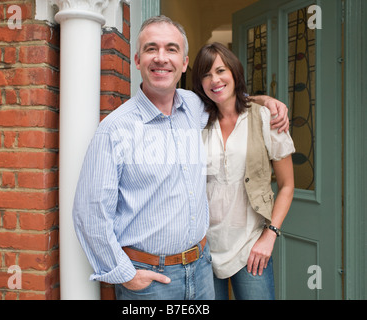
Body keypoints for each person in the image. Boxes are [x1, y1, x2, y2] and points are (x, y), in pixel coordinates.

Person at [72, 16, 289, 300]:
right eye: (152, 49)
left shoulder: (194, 106)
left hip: (201, 270)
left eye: (171, 49)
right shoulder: (114, 130)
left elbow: (228, 96)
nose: (161, 58)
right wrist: (124, 273)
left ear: (184, 63)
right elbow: (90, 214)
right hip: (152, 280)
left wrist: (266, 101)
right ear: (137, 60)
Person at [192, 42, 295, 300]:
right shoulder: (196, 121)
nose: (214, 79)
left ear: (234, 72)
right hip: (203, 249)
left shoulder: (264, 117)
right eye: (205, 74)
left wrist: (269, 237)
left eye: (220, 70)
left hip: (251, 246)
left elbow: (287, 186)